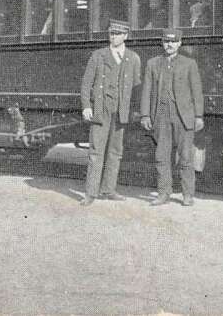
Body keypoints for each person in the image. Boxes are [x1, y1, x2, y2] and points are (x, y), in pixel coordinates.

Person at [79, 19, 141, 206]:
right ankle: (90, 193)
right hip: (101, 108)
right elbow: (86, 84)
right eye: (111, 34)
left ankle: (109, 189)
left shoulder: (133, 58)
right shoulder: (98, 56)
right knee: (96, 151)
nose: (113, 37)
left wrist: (135, 111)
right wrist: (86, 106)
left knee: (115, 151)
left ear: (125, 36)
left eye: (117, 34)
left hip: (120, 111)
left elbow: (137, 87)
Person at [140, 28, 204, 206]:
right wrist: (145, 114)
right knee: (161, 156)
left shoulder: (189, 64)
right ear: (162, 43)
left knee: (185, 157)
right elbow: (146, 91)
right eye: (166, 41)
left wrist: (198, 116)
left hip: (183, 116)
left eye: (173, 42)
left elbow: (197, 92)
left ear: (180, 43)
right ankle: (163, 193)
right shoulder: (153, 63)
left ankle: (187, 195)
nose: (169, 45)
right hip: (160, 116)